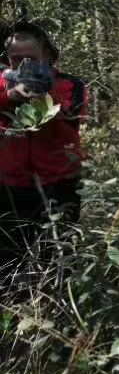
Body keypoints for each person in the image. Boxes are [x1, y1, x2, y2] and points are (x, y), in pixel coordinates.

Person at [0, 20, 88, 278]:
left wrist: (48, 97)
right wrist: (10, 97)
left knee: (60, 257)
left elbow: (74, 118)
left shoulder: (70, 84)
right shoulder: (3, 82)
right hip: (10, 185)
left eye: (31, 58)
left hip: (60, 184)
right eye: (16, 59)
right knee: (8, 260)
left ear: (47, 54)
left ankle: (57, 298)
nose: (23, 65)